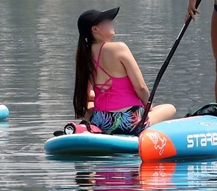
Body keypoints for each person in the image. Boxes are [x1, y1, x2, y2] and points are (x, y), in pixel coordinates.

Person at [73, 7, 175, 135]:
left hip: (101, 121)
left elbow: (86, 95)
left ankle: (87, 127)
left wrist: (106, 93)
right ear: (95, 29)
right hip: (130, 122)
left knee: (89, 104)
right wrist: (149, 109)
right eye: (106, 21)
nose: (111, 23)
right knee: (170, 108)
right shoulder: (118, 48)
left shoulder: (83, 55)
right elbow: (140, 87)